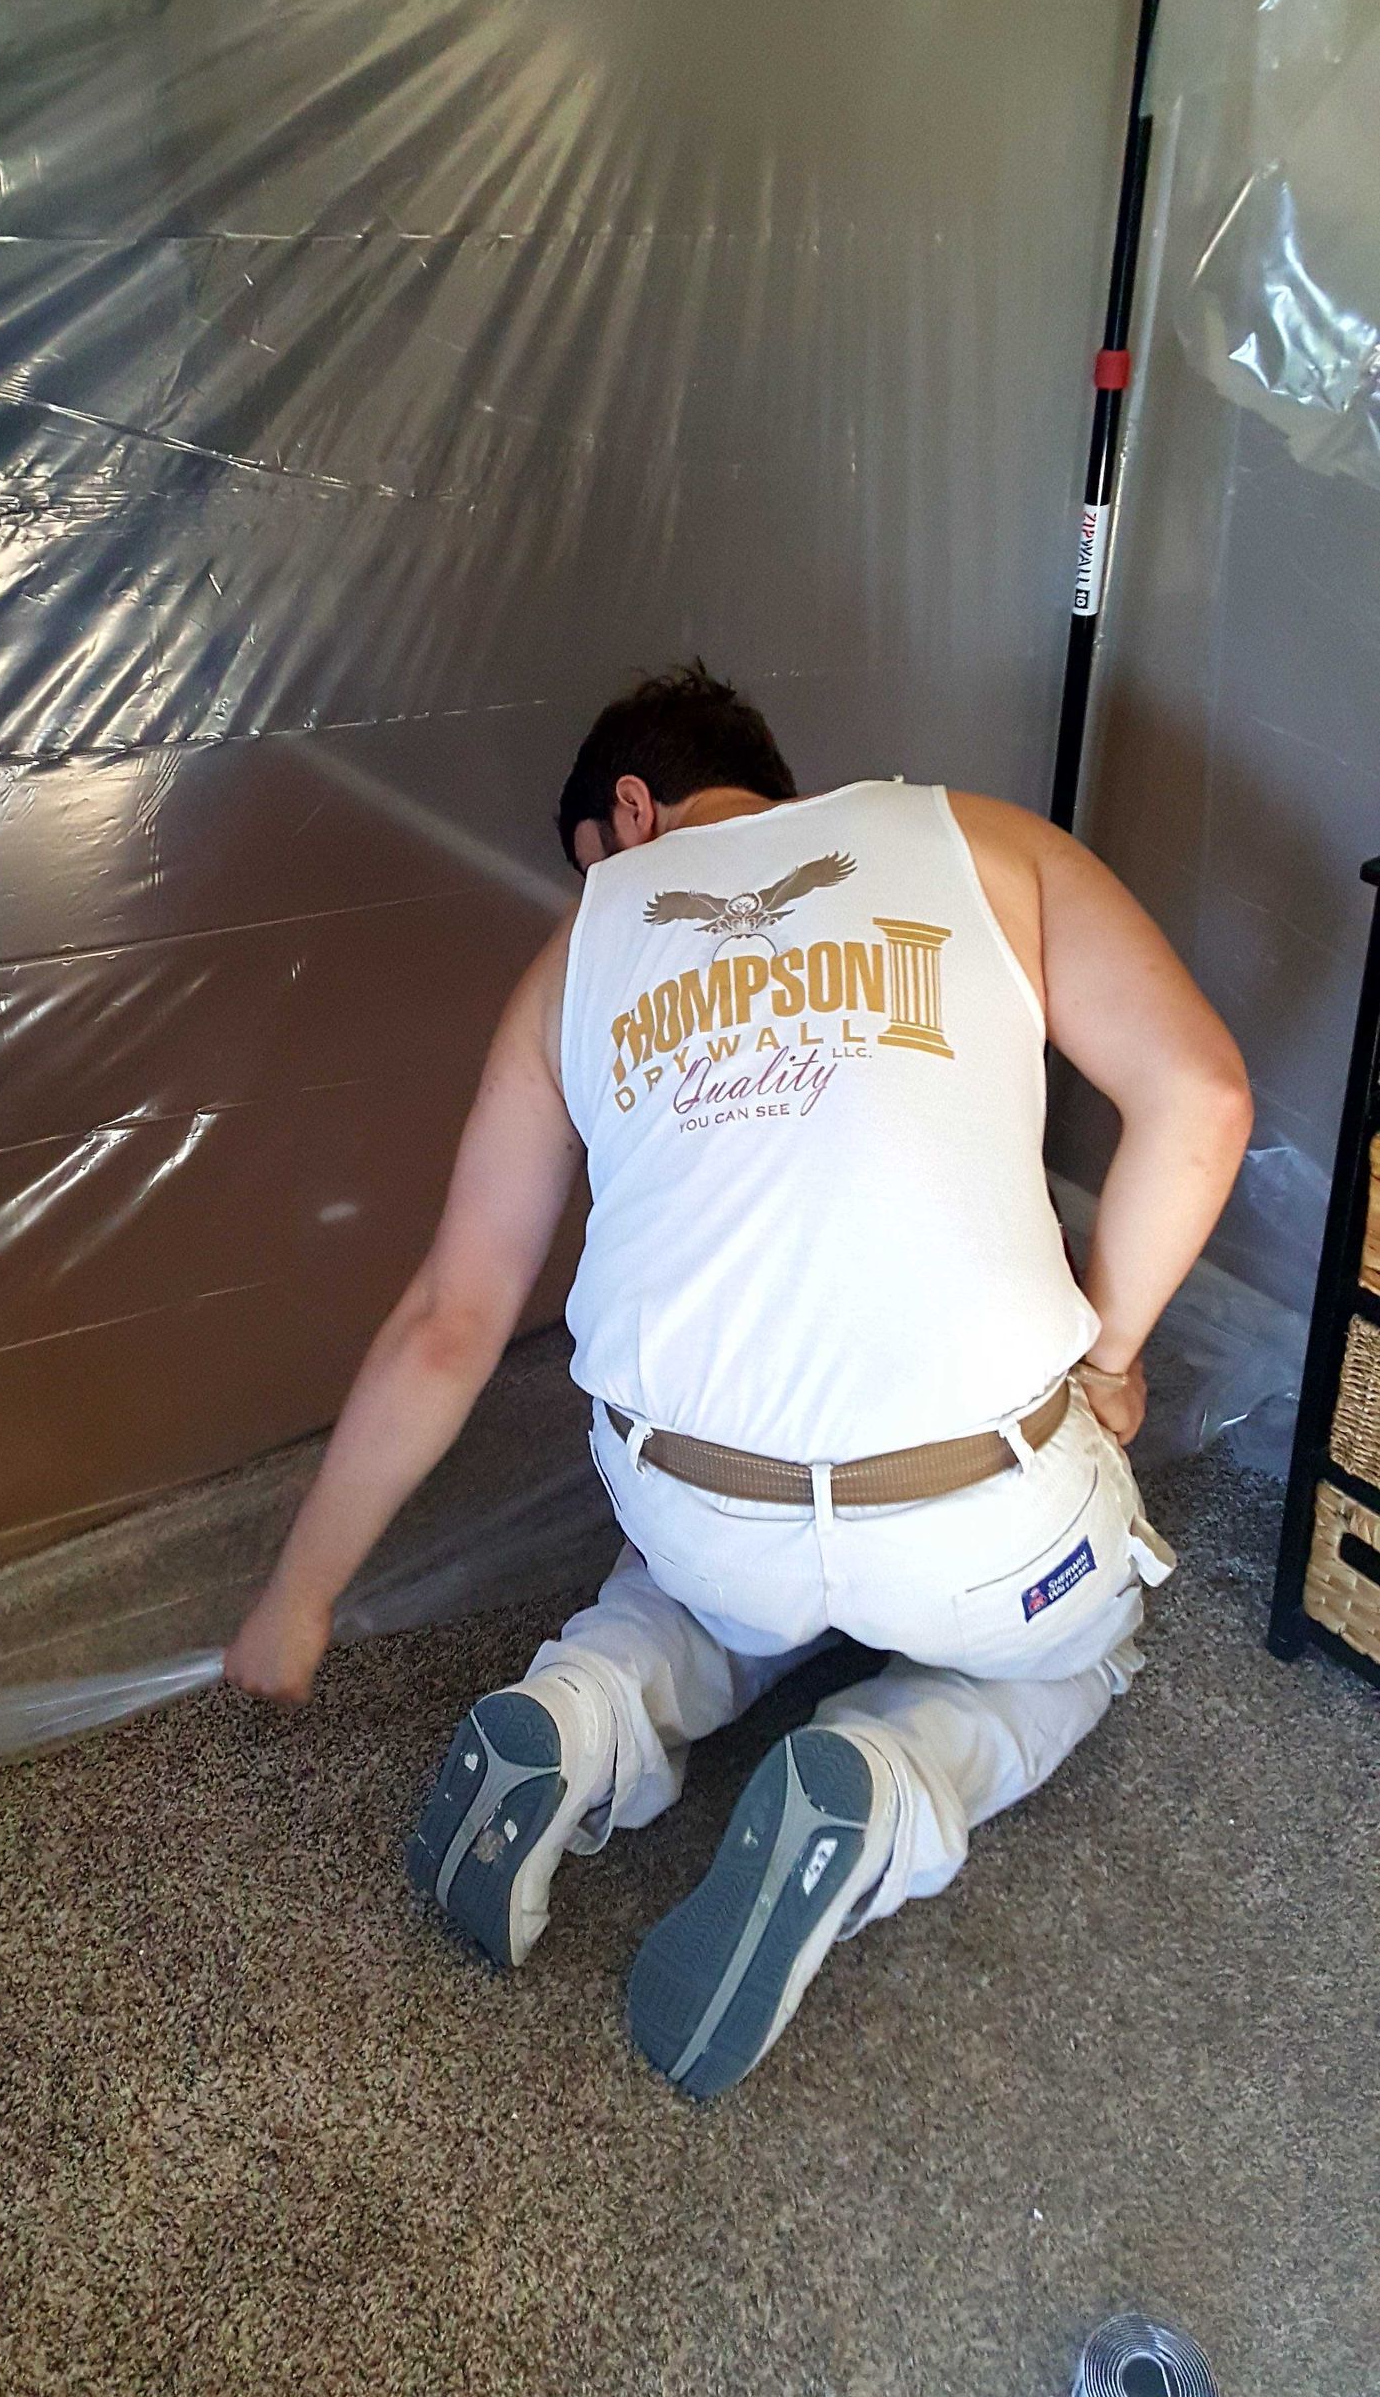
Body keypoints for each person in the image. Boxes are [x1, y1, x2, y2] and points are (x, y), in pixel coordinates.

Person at [225, 666, 1252, 2099]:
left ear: (631, 811)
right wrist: (1111, 1355)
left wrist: (297, 1601)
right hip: (977, 1517)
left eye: (589, 862)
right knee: (1080, 1648)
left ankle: (581, 1716)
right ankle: (889, 1792)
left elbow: (450, 1320)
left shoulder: (577, 952)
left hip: (702, 1506)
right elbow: (1201, 1099)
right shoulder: (984, 843)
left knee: (690, 1593)